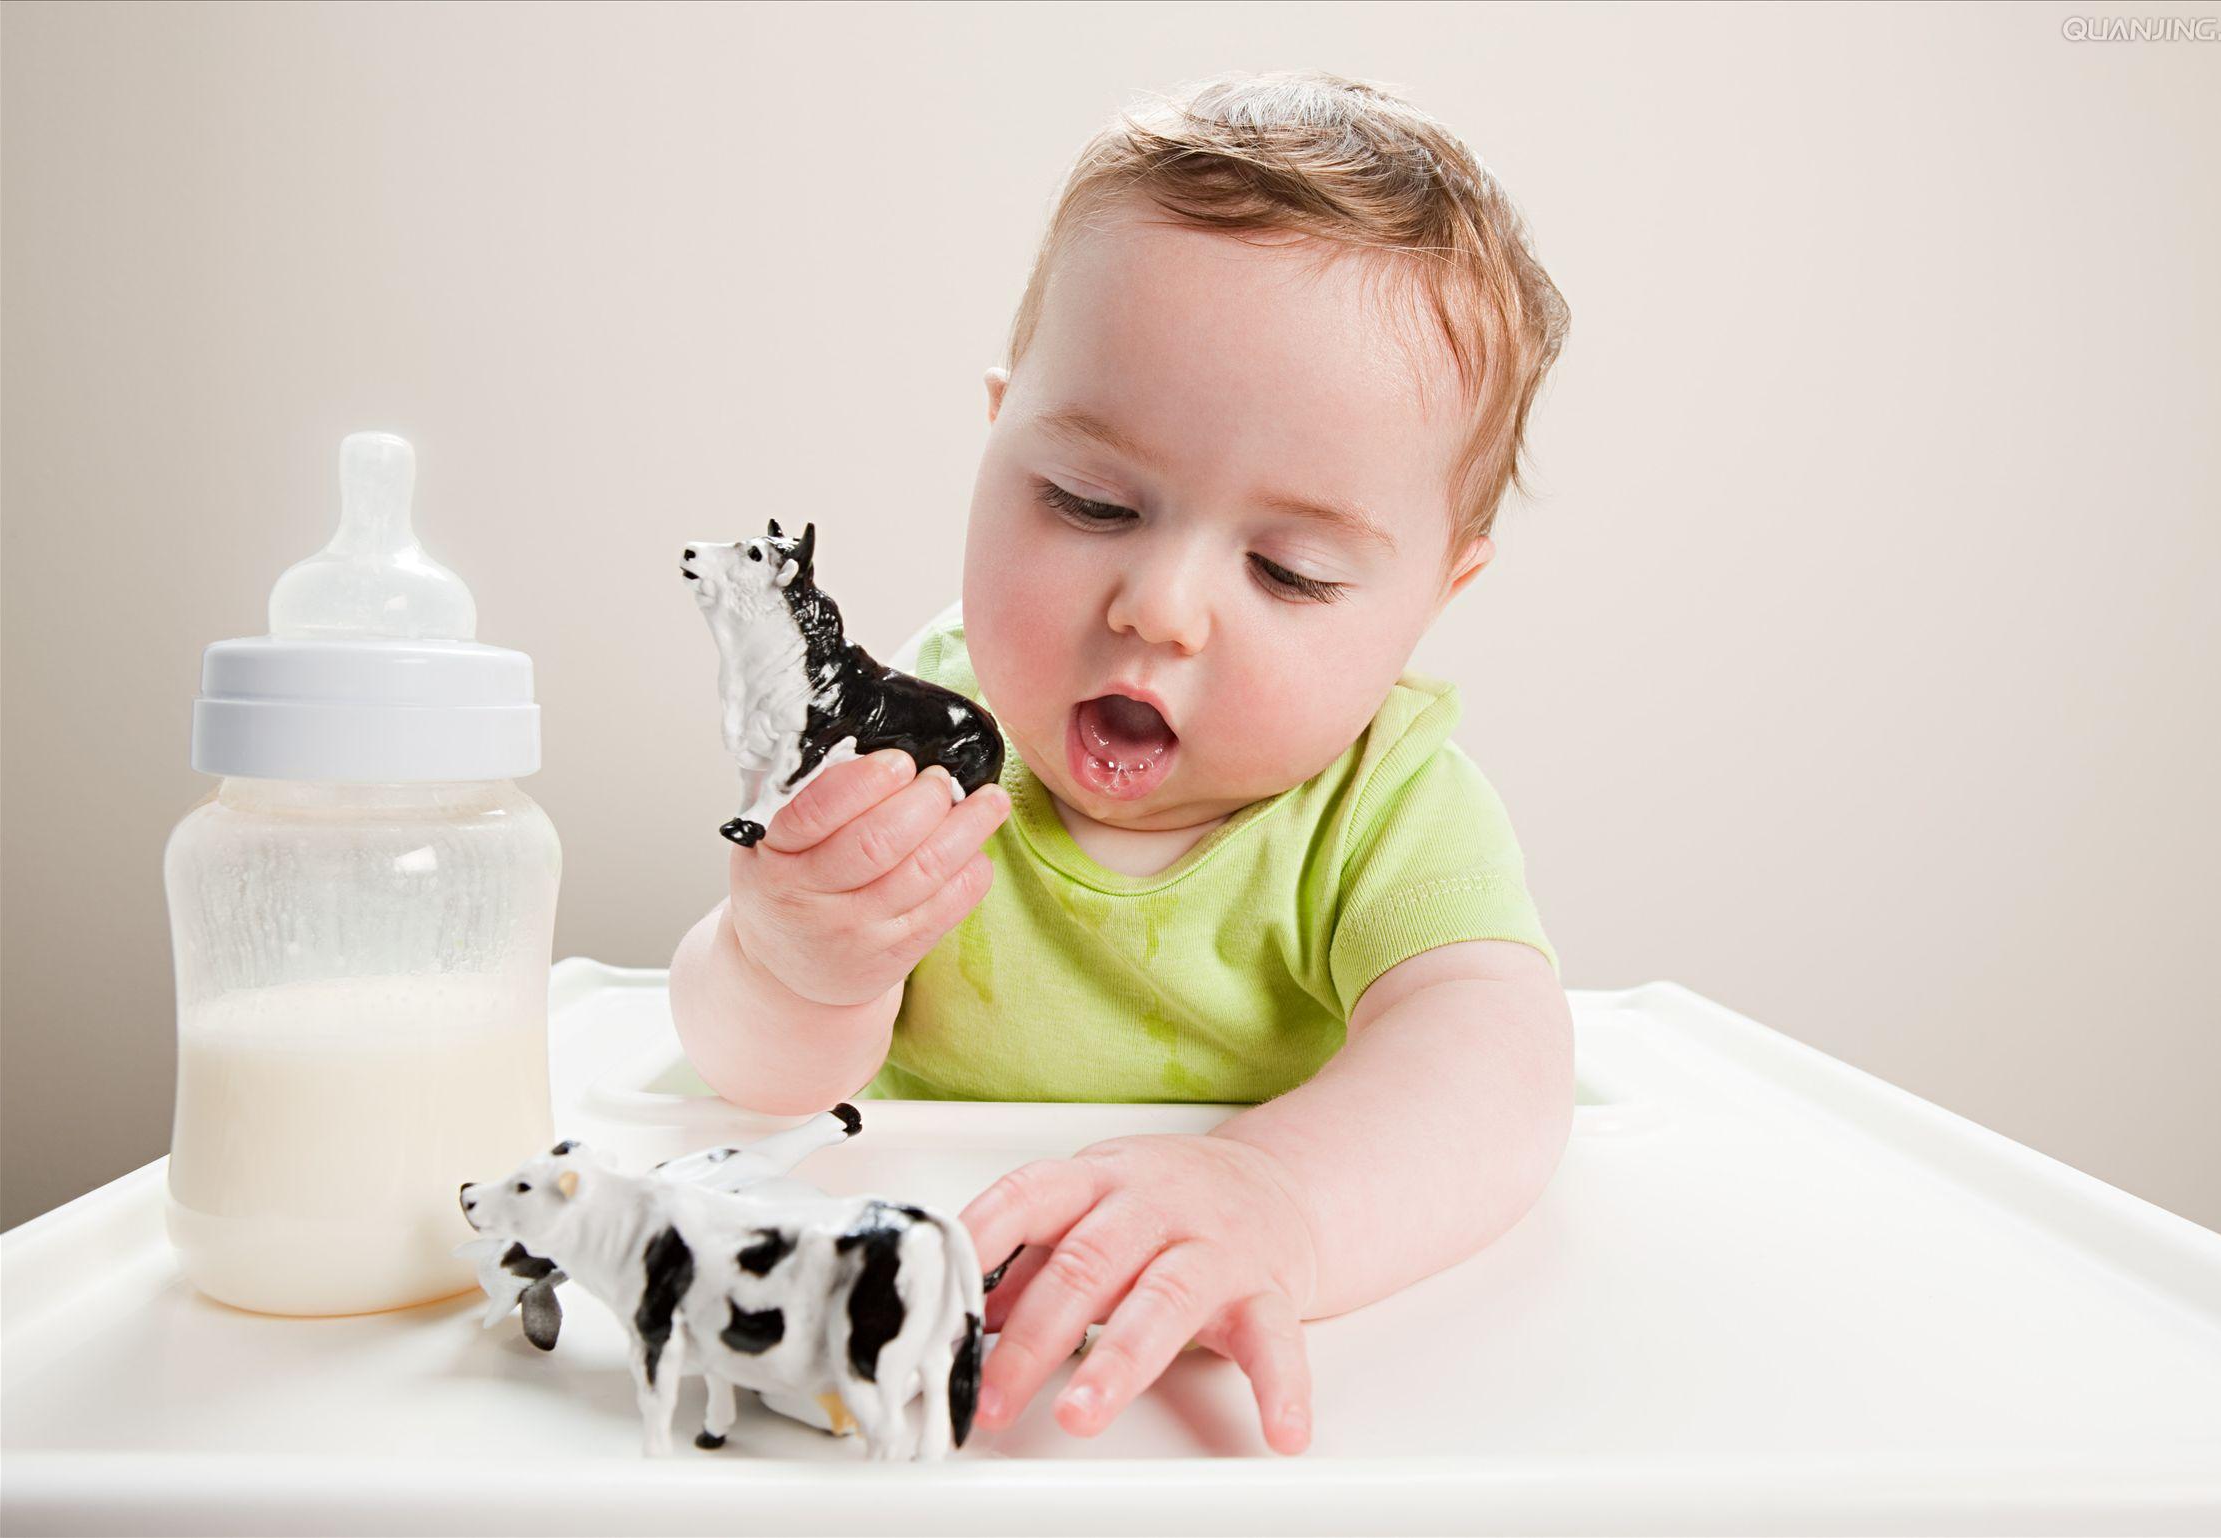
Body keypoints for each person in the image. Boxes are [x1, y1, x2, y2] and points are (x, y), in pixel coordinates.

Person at [669, 70, 1574, 1456]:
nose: (1162, 604)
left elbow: (1498, 1069)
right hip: (914, 1370)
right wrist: (797, 961)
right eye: (1088, 501)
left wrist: (1280, 1198)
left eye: (1291, 568)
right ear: (998, 437)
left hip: (1247, 1397)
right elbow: (754, 1073)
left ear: (1433, 597)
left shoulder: (1383, 804)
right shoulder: (919, 745)